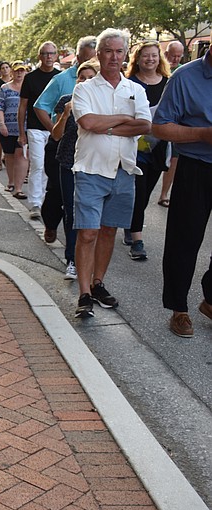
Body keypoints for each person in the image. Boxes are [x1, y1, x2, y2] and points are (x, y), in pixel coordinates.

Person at [71, 28, 151, 318]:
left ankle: (98, 283)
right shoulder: (85, 88)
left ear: (125, 54)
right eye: (108, 50)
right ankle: (83, 294)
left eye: (119, 51)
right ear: (99, 54)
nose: (114, 56)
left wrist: (106, 126)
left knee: (108, 231)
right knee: (89, 232)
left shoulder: (135, 90)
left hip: (124, 170)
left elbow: (144, 125)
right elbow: (88, 122)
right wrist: (121, 120)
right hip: (91, 169)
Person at [152, 47, 212, 338]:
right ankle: (179, 309)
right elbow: (161, 127)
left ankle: (210, 298)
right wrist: (202, 134)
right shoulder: (184, 77)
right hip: (196, 167)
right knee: (184, 241)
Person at [33, 36, 98, 247]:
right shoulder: (62, 80)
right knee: (57, 193)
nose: (93, 63)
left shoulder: (103, 82)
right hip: (62, 147)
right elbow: (40, 106)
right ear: (78, 57)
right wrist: (55, 129)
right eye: (88, 58)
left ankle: (80, 242)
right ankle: (51, 223)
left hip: (89, 151)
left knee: (79, 201)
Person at [51, 59, 101, 281]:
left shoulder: (102, 103)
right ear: (76, 80)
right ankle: (71, 259)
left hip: (94, 163)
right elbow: (56, 135)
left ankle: (90, 261)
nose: (86, 81)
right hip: (68, 161)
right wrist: (65, 113)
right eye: (82, 77)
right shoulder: (65, 101)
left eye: (91, 78)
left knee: (92, 216)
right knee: (71, 211)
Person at [123, 40, 171, 260]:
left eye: (154, 55)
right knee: (138, 193)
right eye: (145, 56)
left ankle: (130, 223)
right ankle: (137, 239)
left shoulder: (169, 83)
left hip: (159, 146)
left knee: (146, 193)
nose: (150, 59)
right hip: (134, 146)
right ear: (137, 59)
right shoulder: (129, 84)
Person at [18, 42, 61, 220]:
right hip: (35, 128)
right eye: (45, 53)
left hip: (55, 128)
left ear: (56, 55)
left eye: (51, 53)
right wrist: (22, 133)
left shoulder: (60, 77)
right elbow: (23, 106)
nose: (48, 57)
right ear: (39, 56)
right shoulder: (30, 78)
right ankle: (35, 202)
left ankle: (44, 200)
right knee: (37, 164)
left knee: (49, 166)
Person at [158, 40, 186, 208]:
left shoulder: (184, 71)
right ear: (166, 54)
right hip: (158, 121)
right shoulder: (160, 68)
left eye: (178, 56)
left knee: (174, 159)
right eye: (172, 55)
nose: (175, 59)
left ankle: (164, 194)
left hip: (176, 123)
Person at [0, 61, 28, 199]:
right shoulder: (4, 88)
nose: (19, 73)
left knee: (20, 155)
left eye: (22, 70)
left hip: (24, 128)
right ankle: (11, 181)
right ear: (12, 72)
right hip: (8, 128)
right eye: (17, 71)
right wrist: (2, 124)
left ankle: (19, 187)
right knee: (9, 155)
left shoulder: (28, 88)